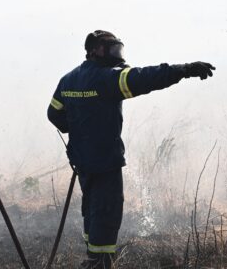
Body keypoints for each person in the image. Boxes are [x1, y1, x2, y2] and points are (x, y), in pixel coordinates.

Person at [47, 30, 215, 268]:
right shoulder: (107, 79)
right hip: (105, 163)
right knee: (106, 214)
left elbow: (54, 114)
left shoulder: (68, 80)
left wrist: (78, 129)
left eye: (119, 49)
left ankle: (93, 256)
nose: (117, 55)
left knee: (92, 211)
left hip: (83, 163)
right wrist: (184, 70)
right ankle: (99, 262)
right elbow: (146, 78)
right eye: (111, 49)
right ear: (94, 50)